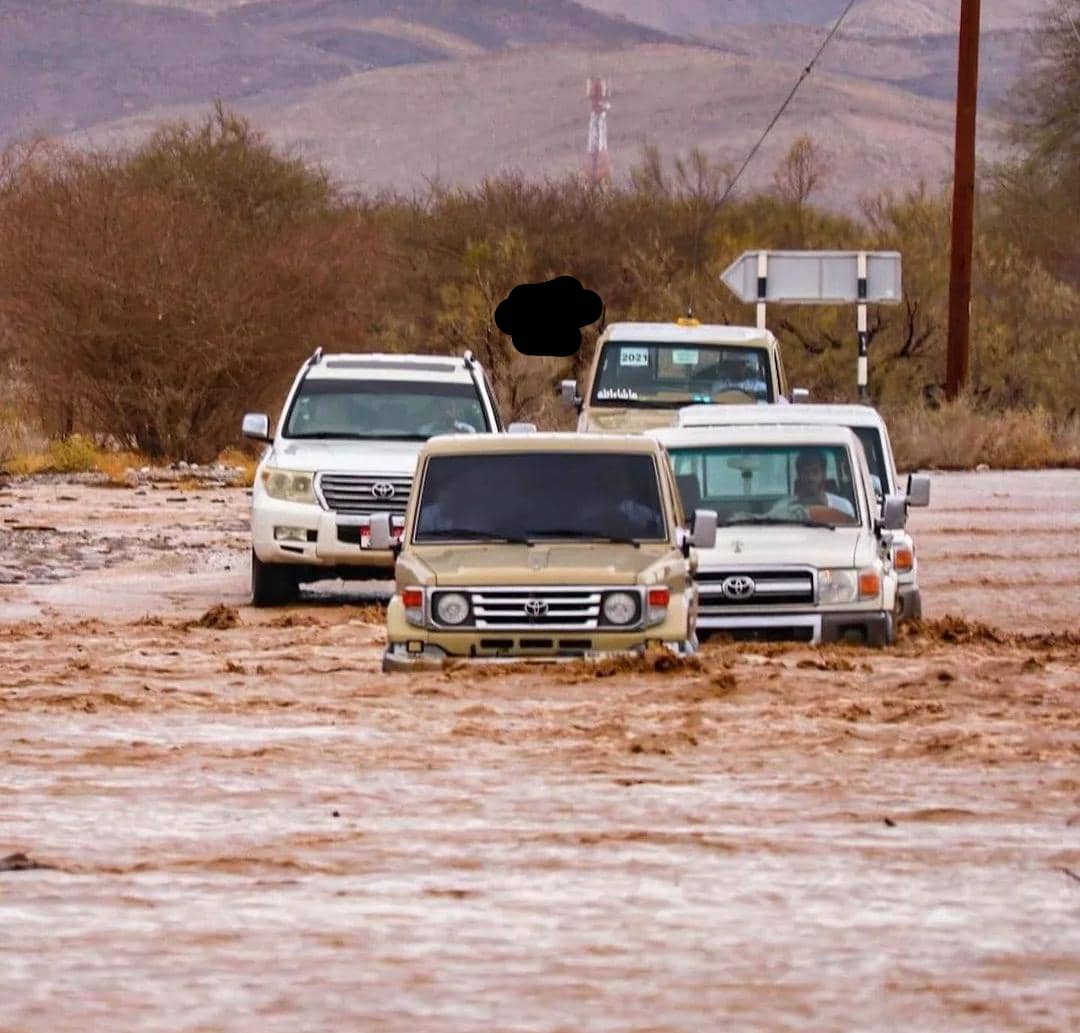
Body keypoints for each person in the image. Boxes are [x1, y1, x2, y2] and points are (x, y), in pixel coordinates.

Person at [773, 449, 855, 518]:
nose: (810, 477)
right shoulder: (782, 509)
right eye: (806, 472)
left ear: (824, 474)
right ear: (798, 475)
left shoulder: (843, 507)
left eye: (815, 471)